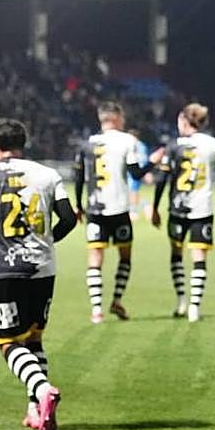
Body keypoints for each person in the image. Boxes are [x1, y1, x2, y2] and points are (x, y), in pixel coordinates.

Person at [0, 119, 77, 430]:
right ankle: (34, 411)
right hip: (43, 268)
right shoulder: (48, 174)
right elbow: (69, 218)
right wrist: (46, 242)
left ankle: (42, 391)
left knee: (9, 343)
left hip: (7, 269)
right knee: (34, 339)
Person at [73, 102, 154, 324]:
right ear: (117, 118)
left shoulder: (87, 143)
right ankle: (116, 299)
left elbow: (78, 177)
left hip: (94, 208)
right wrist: (153, 162)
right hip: (118, 208)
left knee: (95, 258)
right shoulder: (127, 141)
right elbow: (136, 174)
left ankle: (96, 310)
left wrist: (78, 205)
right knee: (125, 256)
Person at [152, 103, 215, 321]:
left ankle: (181, 300)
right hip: (202, 208)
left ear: (185, 121)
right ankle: (195, 306)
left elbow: (162, 180)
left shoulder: (173, 145)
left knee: (176, 255)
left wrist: (156, 208)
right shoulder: (213, 144)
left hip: (177, 208)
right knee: (199, 257)